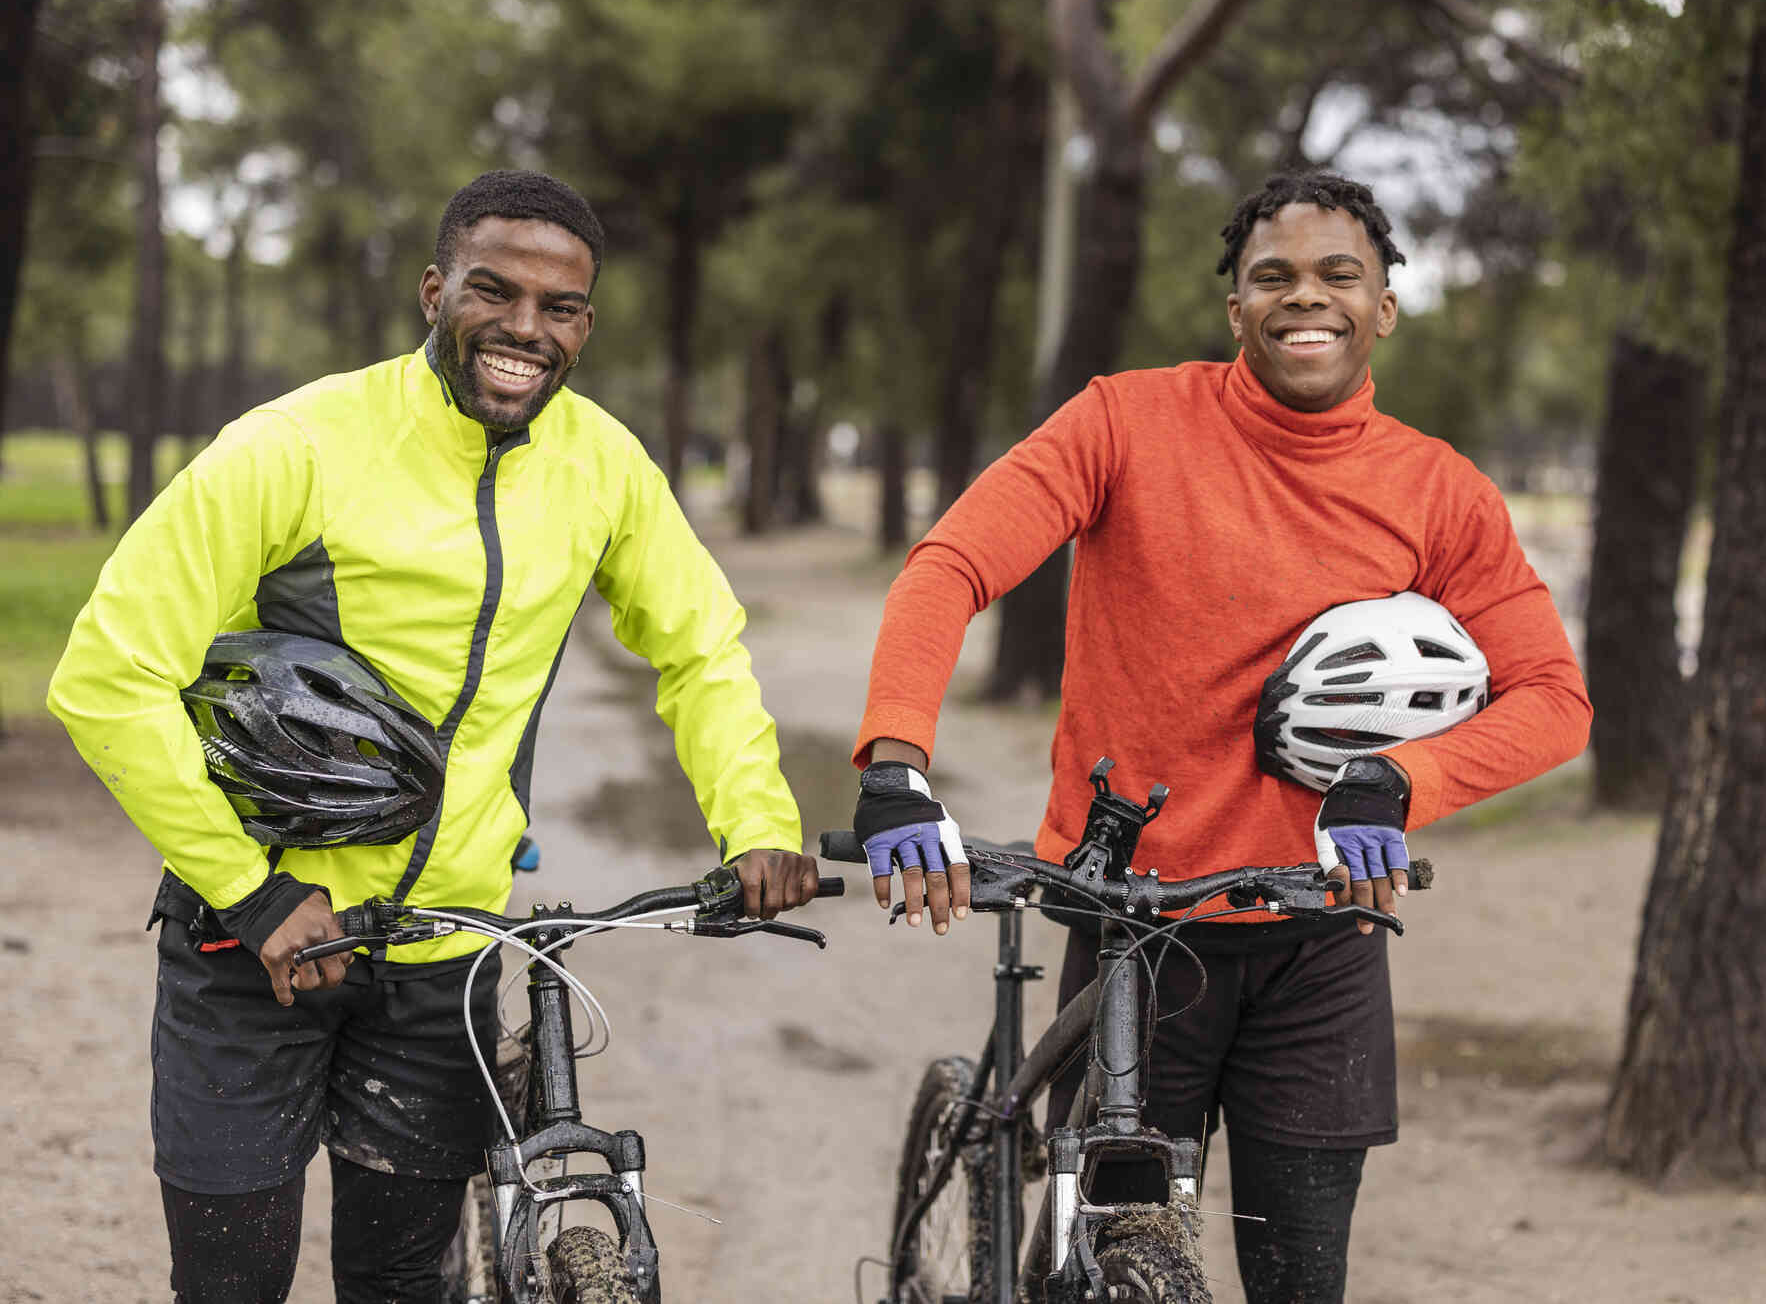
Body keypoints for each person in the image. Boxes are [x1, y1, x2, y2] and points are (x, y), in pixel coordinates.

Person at [47, 169, 821, 1303]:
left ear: (586, 325)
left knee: (405, 1284)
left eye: (559, 308)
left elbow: (700, 646)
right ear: (433, 290)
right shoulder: (299, 443)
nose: (524, 329)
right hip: (251, 948)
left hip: (442, 961)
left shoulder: (604, 465)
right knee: (230, 1283)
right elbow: (106, 672)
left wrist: (757, 819)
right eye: (493, 292)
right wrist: (253, 892)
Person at [850, 171, 1591, 1301]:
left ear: (1385, 304)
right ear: (1235, 307)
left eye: (1341, 275)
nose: (1310, 299)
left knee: (1301, 1278)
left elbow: (1552, 695)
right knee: (1093, 1268)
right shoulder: (1123, 420)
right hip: (1135, 919)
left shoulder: (1436, 491)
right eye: (1274, 277)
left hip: (1321, 932)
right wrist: (898, 762)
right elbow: (951, 565)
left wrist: (1398, 778)